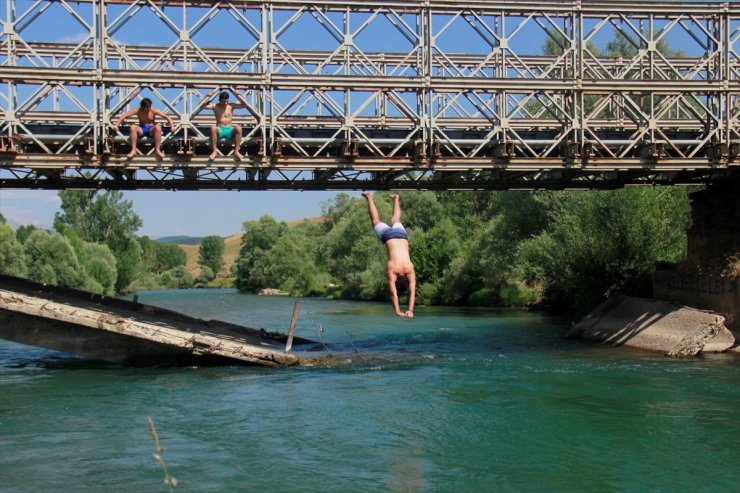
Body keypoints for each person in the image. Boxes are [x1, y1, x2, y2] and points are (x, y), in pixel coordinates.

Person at [362, 192, 416, 318]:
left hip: (402, 236)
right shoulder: (393, 270)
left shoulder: (410, 269)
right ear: (397, 281)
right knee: (375, 221)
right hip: (388, 237)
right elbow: (393, 294)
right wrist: (397, 311)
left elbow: (412, 292)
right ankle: (369, 197)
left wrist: (411, 309)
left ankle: (396, 198)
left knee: (395, 220)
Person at [205, 91, 246, 160]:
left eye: (227, 101)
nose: (225, 103)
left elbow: (244, 105)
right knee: (213, 128)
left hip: (229, 130)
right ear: (220, 100)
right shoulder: (215, 106)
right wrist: (207, 95)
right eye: (224, 101)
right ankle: (214, 151)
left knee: (239, 128)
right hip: (220, 130)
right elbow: (202, 106)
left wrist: (240, 94)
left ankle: (236, 151)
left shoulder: (231, 106)